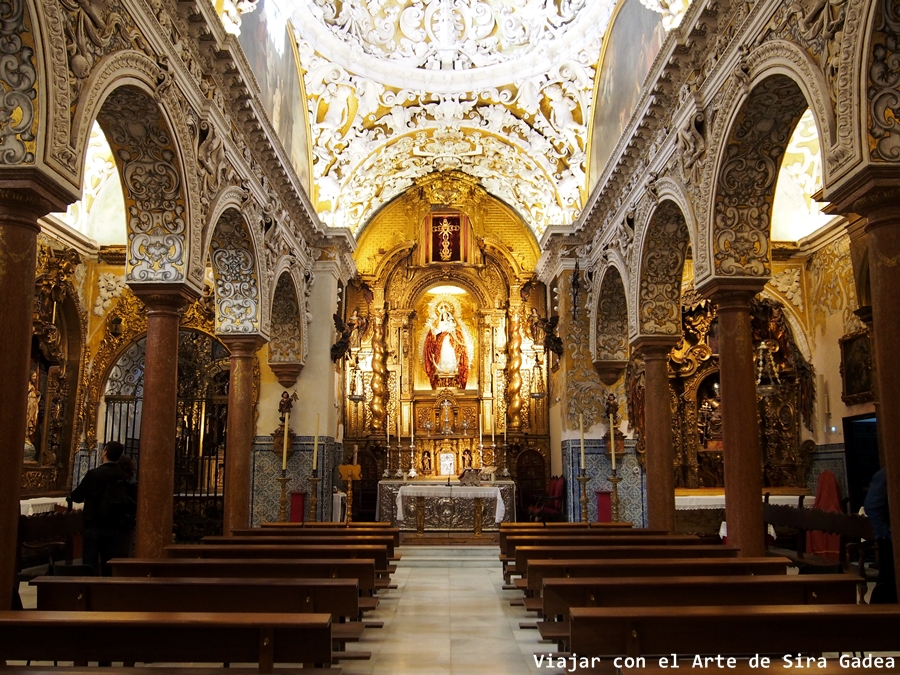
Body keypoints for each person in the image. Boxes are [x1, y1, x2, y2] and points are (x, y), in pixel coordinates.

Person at [70, 441, 132, 575]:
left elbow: (77, 496)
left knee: (90, 563)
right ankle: (107, 590)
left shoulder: (95, 474)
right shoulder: (121, 475)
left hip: (94, 523)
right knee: (108, 562)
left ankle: (90, 591)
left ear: (104, 452)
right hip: (113, 524)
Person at [865, 467, 896, 604]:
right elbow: (872, 506)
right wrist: (885, 533)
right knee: (888, 579)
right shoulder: (886, 474)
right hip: (889, 540)